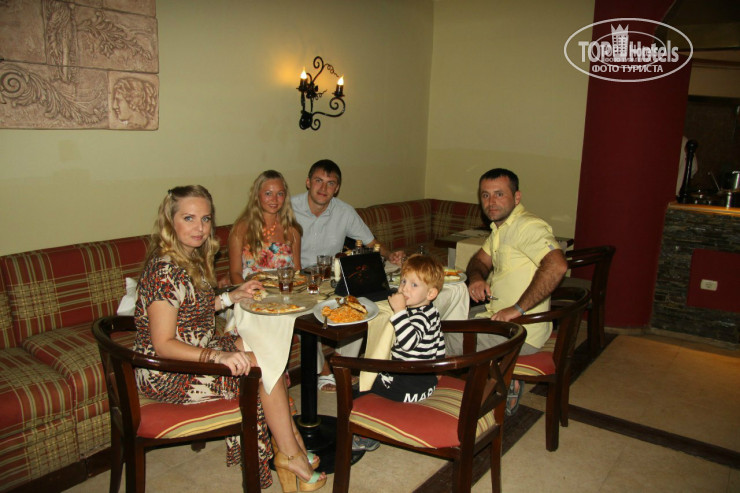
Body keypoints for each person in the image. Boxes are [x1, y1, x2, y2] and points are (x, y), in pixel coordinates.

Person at [133, 185, 325, 492]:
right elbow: (163, 344)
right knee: (261, 366)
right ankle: (291, 454)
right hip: (166, 371)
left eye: (206, 218)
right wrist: (218, 356)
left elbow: (192, 309)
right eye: (189, 218)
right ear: (170, 221)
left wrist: (231, 296)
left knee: (267, 349)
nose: (200, 227)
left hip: (194, 349)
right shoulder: (164, 271)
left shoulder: (189, 257)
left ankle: (291, 445)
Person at [449, 168, 568, 416]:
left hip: (520, 330)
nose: (491, 202)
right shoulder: (500, 228)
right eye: (485, 195)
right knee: (444, 319)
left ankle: (434, 396)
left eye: (499, 194)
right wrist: (477, 278)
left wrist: (517, 309)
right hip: (497, 317)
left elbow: (557, 266)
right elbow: (479, 261)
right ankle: (502, 374)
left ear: (517, 197)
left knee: (439, 337)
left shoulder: (527, 226)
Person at [292, 159, 404, 392]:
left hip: (331, 278)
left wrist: (390, 254)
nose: (323, 188)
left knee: (361, 306)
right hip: (298, 280)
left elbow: (372, 242)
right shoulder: (289, 208)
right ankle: (324, 371)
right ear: (308, 182)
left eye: (330, 183)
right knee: (299, 315)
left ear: (337, 188)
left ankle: (343, 364)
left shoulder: (344, 211)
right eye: (318, 181)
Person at [228, 170, 303, 285]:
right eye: (268, 193)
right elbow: (235, 273)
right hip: (250, 291)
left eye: (280, 194)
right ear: (257, 195)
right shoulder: (241, 229)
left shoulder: (292, 230)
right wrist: (249, 293)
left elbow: (297, 272)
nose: (274, 199)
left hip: (284, 292)